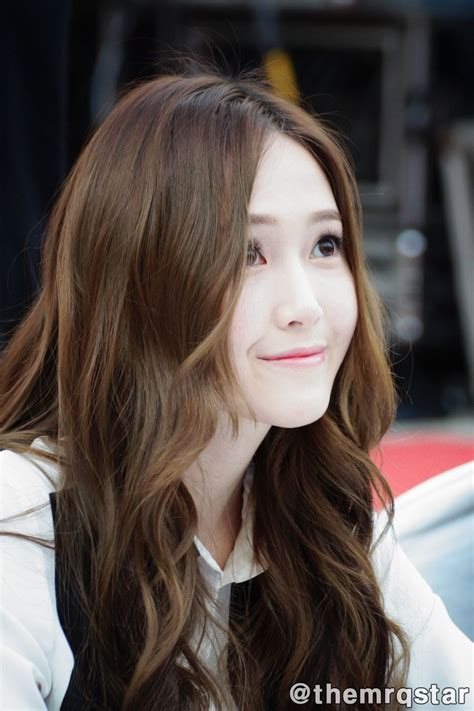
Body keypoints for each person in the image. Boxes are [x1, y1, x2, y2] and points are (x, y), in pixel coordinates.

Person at [0, 63, 472, 711]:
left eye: (325, 244)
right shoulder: (22, 525)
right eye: (249, 253)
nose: (304, 304)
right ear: (142, 278)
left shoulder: (317, 506)